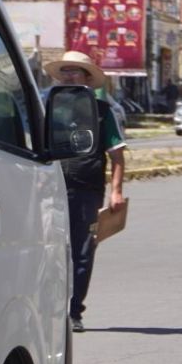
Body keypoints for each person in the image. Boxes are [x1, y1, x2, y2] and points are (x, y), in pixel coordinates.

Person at [46, 50, 127, 333]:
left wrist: (115, 192)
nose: (69, 75)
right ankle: (49, 309)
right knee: (48, 251)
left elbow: (117, 156)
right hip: (49, 189)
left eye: (75, 71)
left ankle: (74, 311)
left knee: (82, 252)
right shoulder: (48, 107)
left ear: (86, 77)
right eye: (65, 71)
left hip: (87, 190)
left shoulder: (103, 112)